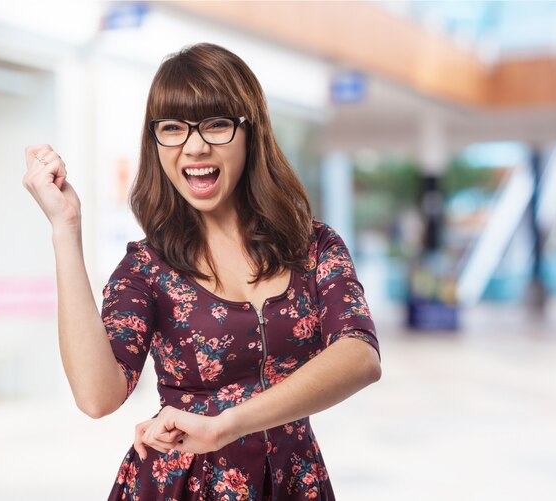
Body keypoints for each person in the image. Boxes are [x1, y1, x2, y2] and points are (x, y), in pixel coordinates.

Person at [23, 43, 381, 501]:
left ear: (251, 132)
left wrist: (225, 425)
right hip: (180, 486)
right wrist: (65, 228)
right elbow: (98, 396)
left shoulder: (313, 246)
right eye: (172, 128)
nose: (194, 146)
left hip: (294, 483)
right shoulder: (146, 268)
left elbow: (360, 356)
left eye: (216, 124)